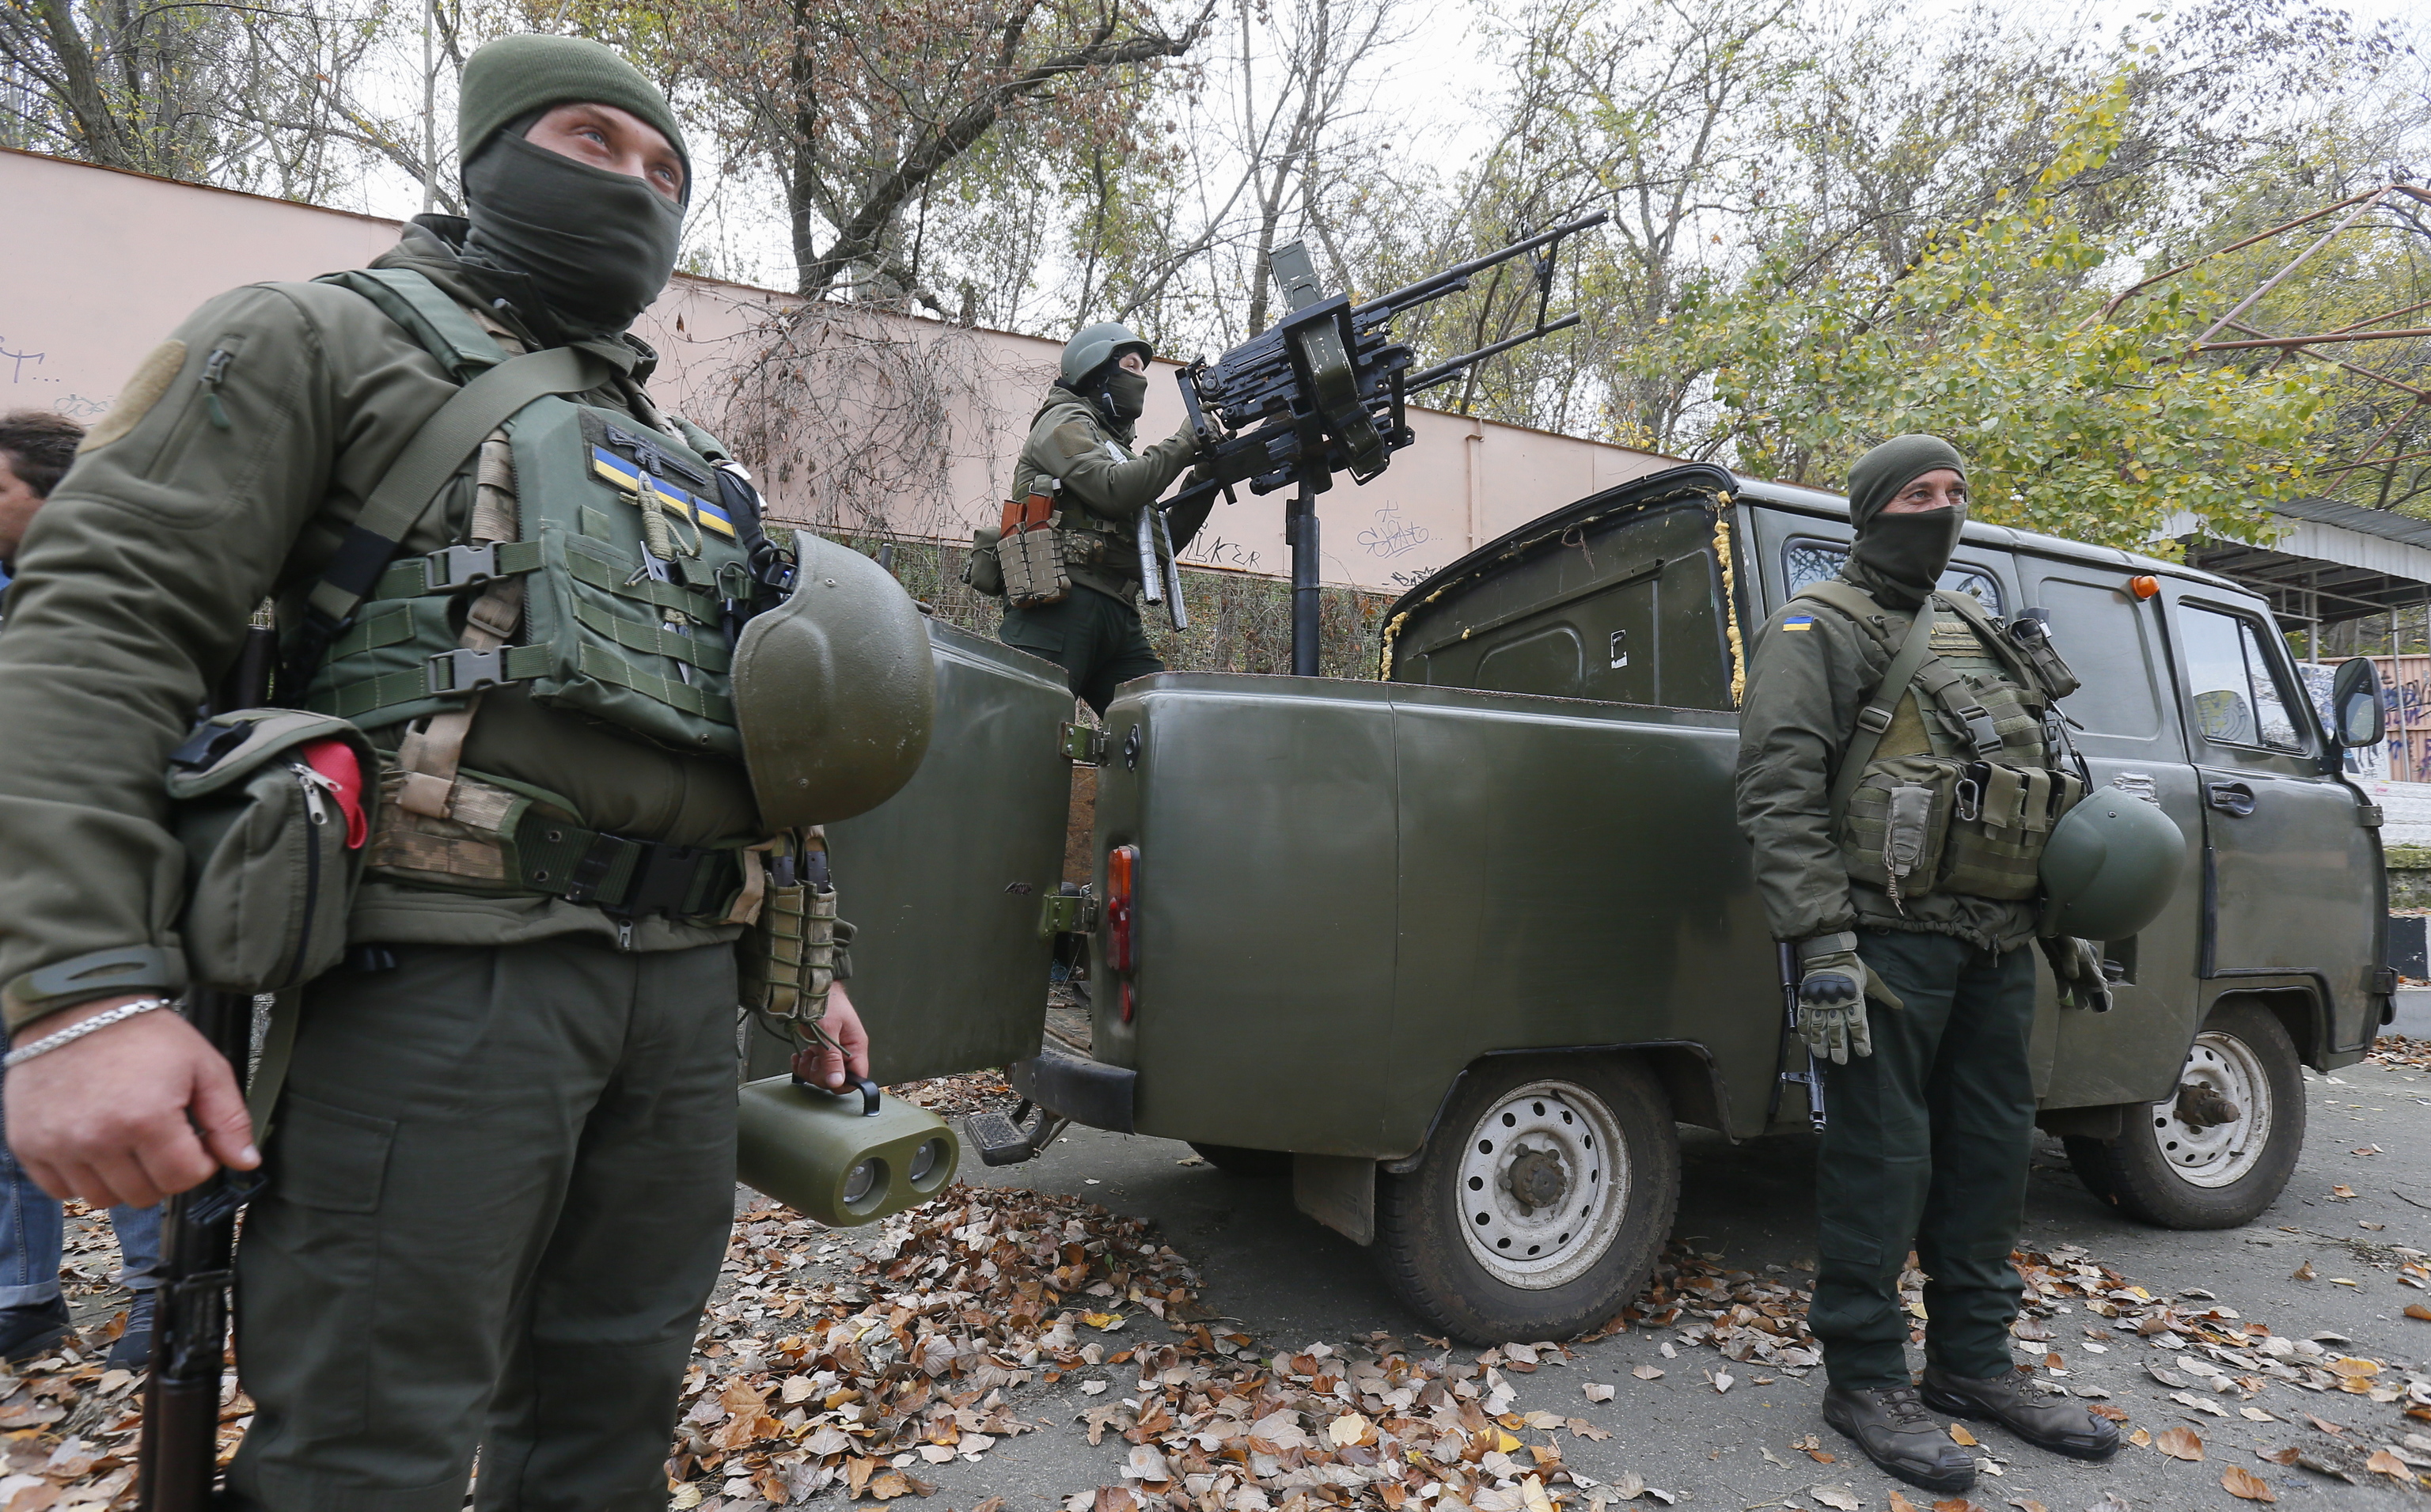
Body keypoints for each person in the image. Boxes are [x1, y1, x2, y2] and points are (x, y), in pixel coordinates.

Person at [0, 35, 869, 1510]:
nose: (637, 187)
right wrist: (80, 990)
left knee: (610, 1425)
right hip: (442, 982)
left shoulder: (696, 458)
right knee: (369, 1444)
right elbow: (100, 629)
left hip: (675, 1002)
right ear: (487, 156)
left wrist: (807, 962)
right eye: (592, 143)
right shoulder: (315, 336)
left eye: (667, 172)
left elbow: (743, 737)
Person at [1733, 435, 2119, 1495]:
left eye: (1955, 491)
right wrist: (1821, 942)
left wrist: (2067, 922)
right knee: (1883, 1160)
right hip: (1883, 940)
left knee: (1993, 1157)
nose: (1943, 507)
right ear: (1873, 511)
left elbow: (2032, 784)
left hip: (1997, 942)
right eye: (1919, 492)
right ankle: (1863, 1375)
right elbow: (1777, 792)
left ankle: (1974, 1363)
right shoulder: (1818, 626)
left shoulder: (1977, 633)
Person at [0, 411, 163, 1370]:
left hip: (99, 881)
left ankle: (159, 1293)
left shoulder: (121, 589)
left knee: (117, 1090)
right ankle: (23, 1297)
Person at [996, 322, 1207, 714]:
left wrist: (1207, 477)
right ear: (1096, 371)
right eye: (1131, 365)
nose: (1141, 377)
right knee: (1022, 734)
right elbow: (1113, 490)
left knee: (1161, 727)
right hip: (1058, 607)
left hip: (1118, 617)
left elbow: (1162, 545)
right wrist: (1185, 442)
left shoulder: (1118, 451)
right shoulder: (1061, 423)